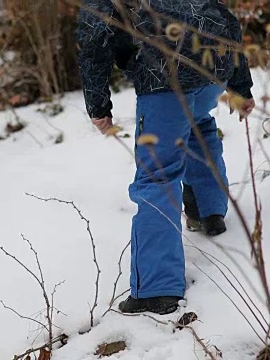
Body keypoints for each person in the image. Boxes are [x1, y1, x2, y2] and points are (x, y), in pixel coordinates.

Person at [76, 0, 255, 315]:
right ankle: (209, 212)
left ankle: (156, 290)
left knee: (158, 175)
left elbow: (94, 40)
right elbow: (224, 16)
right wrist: (241, 86)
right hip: (213, 70)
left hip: (165, 79)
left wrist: (98, 106)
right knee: (198, 128)